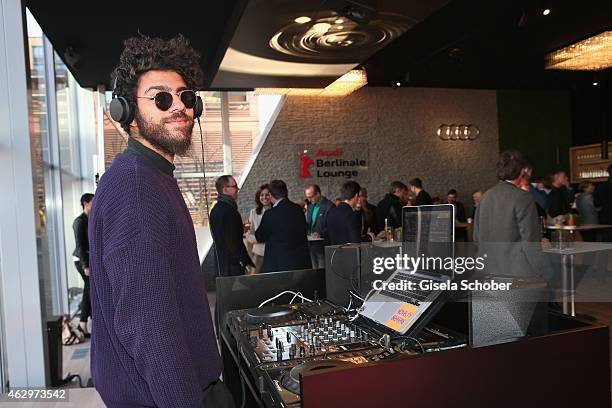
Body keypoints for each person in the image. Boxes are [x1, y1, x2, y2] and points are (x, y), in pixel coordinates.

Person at [88, 34, 233, 407]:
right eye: (160, 98)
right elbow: (150, 329)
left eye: (185, 97)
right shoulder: (136, 187)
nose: (179, 107)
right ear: (126, 111)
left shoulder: (150, 176)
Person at [474, 149, 543, 277]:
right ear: (522, 171)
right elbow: (531, 241)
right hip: (516, 273)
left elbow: (477, 237)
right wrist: (539, 270)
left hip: (487, 270)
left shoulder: (485, 196)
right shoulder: (523, 198)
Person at [255, 180, 311, 273]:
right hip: (300, 262)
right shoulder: (298, 209)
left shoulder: (270, 214)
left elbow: (260, 236)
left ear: (271, 195)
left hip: (279, 264)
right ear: (286, 192)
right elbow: (304, 229)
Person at [210, 175, 255, 276]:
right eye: (234, 186)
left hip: (222, 264)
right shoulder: (229, 210)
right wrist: (242, 260)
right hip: (232, 266)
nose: (237, 189)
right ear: (225, 189)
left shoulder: (216, 209)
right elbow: (232, 241)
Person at [72, 193, 94, 339]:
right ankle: (83, 323)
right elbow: (80, 245)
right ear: (85, 203)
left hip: (87, 259)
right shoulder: (79, 221)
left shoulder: (89, 220)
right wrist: (86, 265)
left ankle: (83, 324)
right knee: (89, 289)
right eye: (93, 202)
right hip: (81, 260)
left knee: (88, 289)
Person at [304, 184, 334, 269]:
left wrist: (320, 233)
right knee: (314, 271)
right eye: (307, 197)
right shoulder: (310, 206)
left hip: (323, 246)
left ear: (318, 194)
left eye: (311, 197)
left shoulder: (329, 206)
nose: (309, 200)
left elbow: (332, 226)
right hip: (311, 245)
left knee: (322, 272)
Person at [245, 184, 272, 273]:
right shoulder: (253, 212)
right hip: (258, 253)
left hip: (274, 253)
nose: (264, 197)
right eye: (262, 195)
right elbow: (250, 233)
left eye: (267, 194)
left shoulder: (277, 211)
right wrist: (259, 239)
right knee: (255, 280)